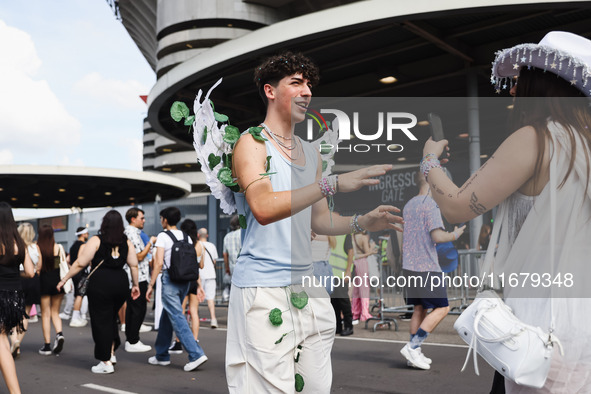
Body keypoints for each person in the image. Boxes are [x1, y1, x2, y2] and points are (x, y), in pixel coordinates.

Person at [422, 31, 591, 392]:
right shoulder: (586, 146)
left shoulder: (538, 138)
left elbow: (455, 207)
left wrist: (429, 161)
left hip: (538, 325)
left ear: (544, 84)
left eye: (522, 79)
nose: (513, 90)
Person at [225, 51, 403, 393]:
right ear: (270, 91)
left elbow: (320, 220)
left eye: (309, 84)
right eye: (296, 83)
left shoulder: (310, 153)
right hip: (262, 290)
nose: (306, 91)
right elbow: (262, 206)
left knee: (317, 388)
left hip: (307, 287)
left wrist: (362, 221)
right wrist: (332, 183)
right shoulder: (252, 143)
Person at [58, 210, 140, 374]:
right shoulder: (127, 242)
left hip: (101, 284)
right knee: (111, 318)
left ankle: (105, 361)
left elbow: (81, 263)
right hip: (121, 284)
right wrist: (136, 285)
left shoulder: (96, 240)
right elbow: (134, 265)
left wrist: (65, 278)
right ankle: (111, 352)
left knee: (101, 321)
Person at [399, 173, 465, 370]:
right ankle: (413, 346)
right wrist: (455, 234)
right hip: (427, 267)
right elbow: (437, 235)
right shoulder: (431, 204)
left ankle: (414, 354)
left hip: (410, 266)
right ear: (434, 183)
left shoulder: (409, 205)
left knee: (419, 309)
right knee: (443, 308)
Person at [146, 207, 208, 372]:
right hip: (185, 281)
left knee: (176, 316)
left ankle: (196, 354)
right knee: (168, 315)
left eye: (161, 218)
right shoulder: (186, 236)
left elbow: (159, 263)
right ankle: (162, 355)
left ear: (165, 220)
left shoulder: (162, 236)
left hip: (170, 280)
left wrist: (151, 285)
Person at [0, 202, 34, 394]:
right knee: (3, 342)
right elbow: (30, 272)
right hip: (13, 298)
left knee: (2, 344)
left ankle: (15, 392)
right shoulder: (19, 244)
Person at [123, 208, 156, 352]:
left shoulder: (131, 233)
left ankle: (131, 339)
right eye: (141, 218)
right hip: (136, 277)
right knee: (137, 309)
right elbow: (139, 257)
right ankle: (133, 340)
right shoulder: (131, 233)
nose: (144, 220)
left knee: (134, 309)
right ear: (133, 219)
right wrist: (151, 242)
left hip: (136, 276)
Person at [9, 223, 41, 358]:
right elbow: (39, 266)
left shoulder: (15, 245)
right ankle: (18, 344)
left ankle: (14, 341)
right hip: (33, 281)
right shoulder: (35, 247)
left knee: (11, 313)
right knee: (25, 314)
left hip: (18, 280)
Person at [37, 224, 68, 356]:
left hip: (43, 282)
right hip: (57, 282)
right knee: (55, 312)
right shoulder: (58, 247)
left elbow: (38, 267)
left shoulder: (37, 247)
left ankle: (47, 345)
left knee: (45, 314)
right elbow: (59, 265)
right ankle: (59, 334)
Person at [180, 219, 205, 342]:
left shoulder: (183, 243)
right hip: (194, 280)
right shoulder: (200, 245)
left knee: (181, 311)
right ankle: (195, 339)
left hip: (183, 279)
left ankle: (179, 340)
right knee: (194, 311)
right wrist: (200, 286)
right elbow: (201, 266)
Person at [349, 231, 376, 324]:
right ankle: (364, 313)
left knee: (356, 290)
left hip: (355, 263)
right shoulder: (364, 238)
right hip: (363, 262)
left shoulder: (352, 236)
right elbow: (368, 252)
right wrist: (372, 247)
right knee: (364, 288)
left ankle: (355, 312)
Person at [331, 235, 354, 336]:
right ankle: (338, 326)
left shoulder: (344, 233)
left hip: (341, 273)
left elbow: (351, 251)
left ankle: (349, 326)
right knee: (333, 302)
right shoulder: (328, 232)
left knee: (343, 301)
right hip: (330, 273)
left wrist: (348, 271)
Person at [66, 227, 89, 327]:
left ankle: (77, 316)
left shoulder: (72, 246)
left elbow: (68, 260)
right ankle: (75, 317)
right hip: (81, 272)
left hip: (74, 272)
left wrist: (71, 268)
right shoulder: (83, 245)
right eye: (87, 233)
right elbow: (81, 259)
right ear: (83, 234)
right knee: (80, 295)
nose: (88, 235)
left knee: (77, 294)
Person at [197, 228, 218, 328]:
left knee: (196, 298)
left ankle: (195, 319)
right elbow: (214, 261)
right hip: (211, 275)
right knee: (210, 299)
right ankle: (213, 319)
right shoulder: (212, 246)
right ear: (207, 235)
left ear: (198, 235)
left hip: (199, 276)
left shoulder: (197, 245)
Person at [222, 215, 241, 302]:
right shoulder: (243, 233)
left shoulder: (227, 237)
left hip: (232, 266)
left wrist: (227, 269)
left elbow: (225, 255)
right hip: (243, 265)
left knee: (234, 288)